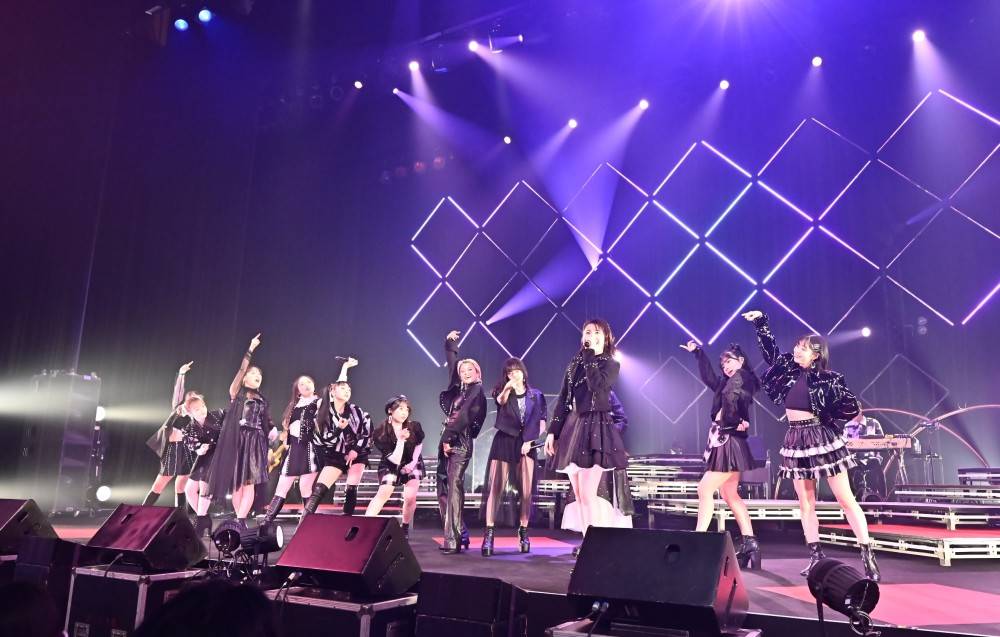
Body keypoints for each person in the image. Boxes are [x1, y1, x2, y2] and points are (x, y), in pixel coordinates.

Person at [743, 310, 880, 581]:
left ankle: (867, 554)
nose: (797, 350)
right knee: (806, 502)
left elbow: (851, 408)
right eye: (797, 346)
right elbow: (771, 353)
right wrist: (761, 323)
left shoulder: (830, 379)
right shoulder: (787, 371)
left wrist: (836, 414)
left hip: (822, 437)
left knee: (845, 498)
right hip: (796, 438)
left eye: (803, 348)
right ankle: (816, 556)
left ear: (816, 354)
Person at [544, 319, 628, 556]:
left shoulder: (611, 364)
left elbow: (596, 386)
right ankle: (586, 541)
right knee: (580, 494)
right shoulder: (574, 364)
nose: (592, 335)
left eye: (597, 332)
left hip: (595, 426)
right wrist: (552, 432)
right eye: (588, 332)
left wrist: (590, 356)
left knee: (589, 493)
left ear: (606, 337)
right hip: (572, 427)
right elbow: (563, 399)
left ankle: (595, 546)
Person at [681, 340, 761, 569]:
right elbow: (710, 379)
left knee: (704, 489)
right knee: (729, 494)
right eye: (723, 363)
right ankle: (750, 543)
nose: (726, 366)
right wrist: (698, 353)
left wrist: (734, 421)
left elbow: (732, 400)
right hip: (726, 439)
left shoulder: (742, 377)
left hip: (729, 441)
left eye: (729, 361)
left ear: (741, 361)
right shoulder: (729, 381)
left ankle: (698, 539)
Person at [206, 334, 276, 526]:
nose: (257, 376)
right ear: (244, 378)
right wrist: (250, 349)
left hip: (256, 442)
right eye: (253, 374)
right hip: (238, 440)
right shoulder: (237, 393)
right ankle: (240, 521)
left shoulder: (263, 400)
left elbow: (267, 424)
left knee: (249, 484)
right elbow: (242, 368)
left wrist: (271, 444)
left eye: (259, 375)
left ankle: (241, 520)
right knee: (237, 484)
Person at [480, 358, 547, 556]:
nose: (513, 374)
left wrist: (531, 440)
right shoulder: (502, 392)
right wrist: (507, 388)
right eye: (509, 372)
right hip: (504, 440)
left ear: (523, 373)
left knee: (526, 491)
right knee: (496, 488)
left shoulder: (536, 395)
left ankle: (523, 531)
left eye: (517, 370)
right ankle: (489, 533)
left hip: (526, 443)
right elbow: (500, 402)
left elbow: (542, 422)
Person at [437, 330, 486, 554]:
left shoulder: (477, 390)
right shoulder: (461, 389)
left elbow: (464, 416)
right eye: (463, 370)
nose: (465, 373)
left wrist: (448, 438)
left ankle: (453, 540)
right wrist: (450, 344)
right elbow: (452, 366)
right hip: (448, 438)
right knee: (443, 488)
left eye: (470, 370)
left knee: (454, 488)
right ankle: (460, 534)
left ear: (477, 372)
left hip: (459, 441)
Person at [301, 358, 372, 515]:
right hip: (335, 454)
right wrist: (338, 430)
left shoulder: (356, 411)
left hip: (357, 454)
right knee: (319, 489)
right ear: (332, 391)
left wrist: (355, 450)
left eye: (349, 389)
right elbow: (324, 440)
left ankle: (346, 521)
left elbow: (366, 433)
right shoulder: (324, 413)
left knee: (351, 488)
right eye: (343, 388)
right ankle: (303, 523)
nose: (347, 391)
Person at [260, 375, 320, 526]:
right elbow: (289, 430)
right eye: (302, 384)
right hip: (293, 449)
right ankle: (266, 522)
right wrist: (286, 433)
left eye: (309, 382)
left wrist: (344, 369)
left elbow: (334, 398)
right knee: (281, 488)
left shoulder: (319, 402)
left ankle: (307, 524)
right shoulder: (294, 405)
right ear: (297, 390)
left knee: (305, 489)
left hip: (309, 449)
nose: (306, 385)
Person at [364, 395, 425, 538]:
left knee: (410, 497)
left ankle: (405, 527)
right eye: (400, 409)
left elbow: (419, 444)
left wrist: (412, 463)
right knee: (384, 493)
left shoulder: (414, 426)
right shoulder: (380, 432)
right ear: (390, 410)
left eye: (407, 409)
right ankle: (365, 525)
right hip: (391, 462)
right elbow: (395, 459)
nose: (404, 413)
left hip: (412, 460)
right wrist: (401, 440)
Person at [142, 362, 198, 509]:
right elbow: (178, 392)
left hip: (188, 451)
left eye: (196, 399)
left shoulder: (197, 416)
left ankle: (179, 516)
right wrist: (181, 374)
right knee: (159, 485)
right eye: (191, 398)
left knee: (181, 486)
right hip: (173, 450)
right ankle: (141, 513)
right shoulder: (178, 409)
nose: (193, 400)